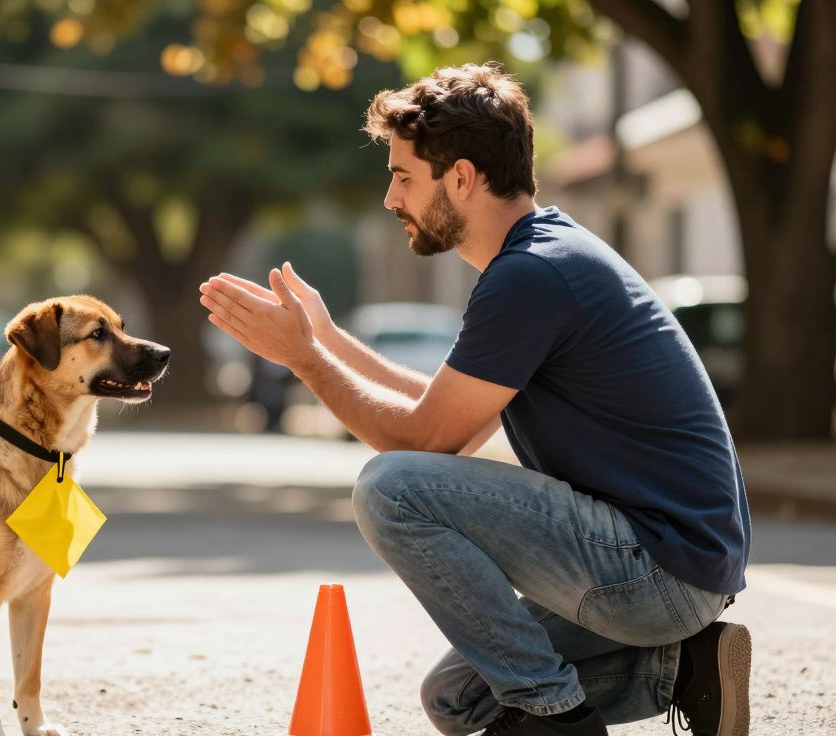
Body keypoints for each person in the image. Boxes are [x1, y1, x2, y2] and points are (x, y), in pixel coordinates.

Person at [199, 63, 751, 736]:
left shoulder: (532, 275)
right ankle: (683, 671)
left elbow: (421, 446)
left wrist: (303, 359)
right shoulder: (540, 257)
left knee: (390, 487)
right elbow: (441, 416)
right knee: (458, 698)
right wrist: (329, 340)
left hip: (657, 568)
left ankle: (554, 719)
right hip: (677, 568)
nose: (390, 198)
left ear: (460, 177)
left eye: (403, 176)